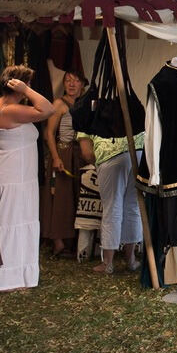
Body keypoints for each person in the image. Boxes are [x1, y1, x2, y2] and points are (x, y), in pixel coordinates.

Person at [0, 65, 55, 291]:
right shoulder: (9, 109)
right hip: (13, 177)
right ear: (19, 85)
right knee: (10, 224)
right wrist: (27, 91)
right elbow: (47, 110)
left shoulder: (3, 105)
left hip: (16, 175)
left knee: (13, 222)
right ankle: (6, 277)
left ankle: (16, 274)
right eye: (28, 84)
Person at [78, 132, 145, 274]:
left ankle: (107, 263)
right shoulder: (133, 109)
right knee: (132, 207)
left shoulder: (89, 113)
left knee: (112, 209)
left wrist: (99, 164)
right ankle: (131, 259)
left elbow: (87, 153)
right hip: (138, 153)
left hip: (109, 157)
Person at [42, 70, 86, 257]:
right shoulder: (59, 104)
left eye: (76, 81)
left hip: (79, 153)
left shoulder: (85, 103)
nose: (72, 84)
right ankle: (58, 241)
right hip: (63, 151)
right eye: (68, 80)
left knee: (76, 196)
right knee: (60, 196)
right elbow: (49, 133)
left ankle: (75, 241)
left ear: (82, 84)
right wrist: (56, 157)